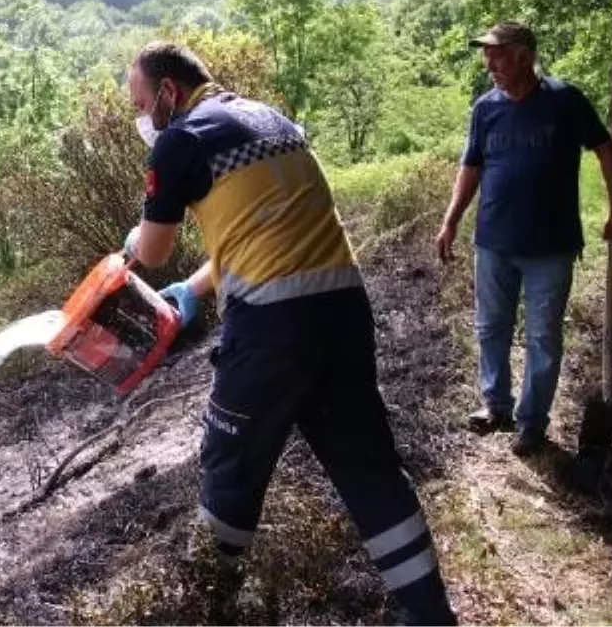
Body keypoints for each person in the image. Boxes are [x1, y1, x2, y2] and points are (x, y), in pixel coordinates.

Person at [122, 40, 456, 626]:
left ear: (169, 93)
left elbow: (152, 251)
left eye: (142, 102)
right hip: (344, 313)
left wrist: (131, 243)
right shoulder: (271, 119)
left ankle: (210, 608)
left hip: (272, 329)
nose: (141, 118)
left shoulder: (182, 139)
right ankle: (429, 615)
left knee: (230, 470)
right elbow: (255, 229)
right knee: (370, 470)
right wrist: (196, 290)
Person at [435, 22, 612, 457]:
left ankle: (532, 423)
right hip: (493, 242)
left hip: (551, 245)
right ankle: (495, 406)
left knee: (543, 337)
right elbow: (471, 168)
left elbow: (606, 152)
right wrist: (450, 221)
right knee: (490, 328)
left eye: (497, 54)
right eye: (487, 55)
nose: (489, 64)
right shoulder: (485, 108)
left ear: (523, 56)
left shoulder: (565, 100)